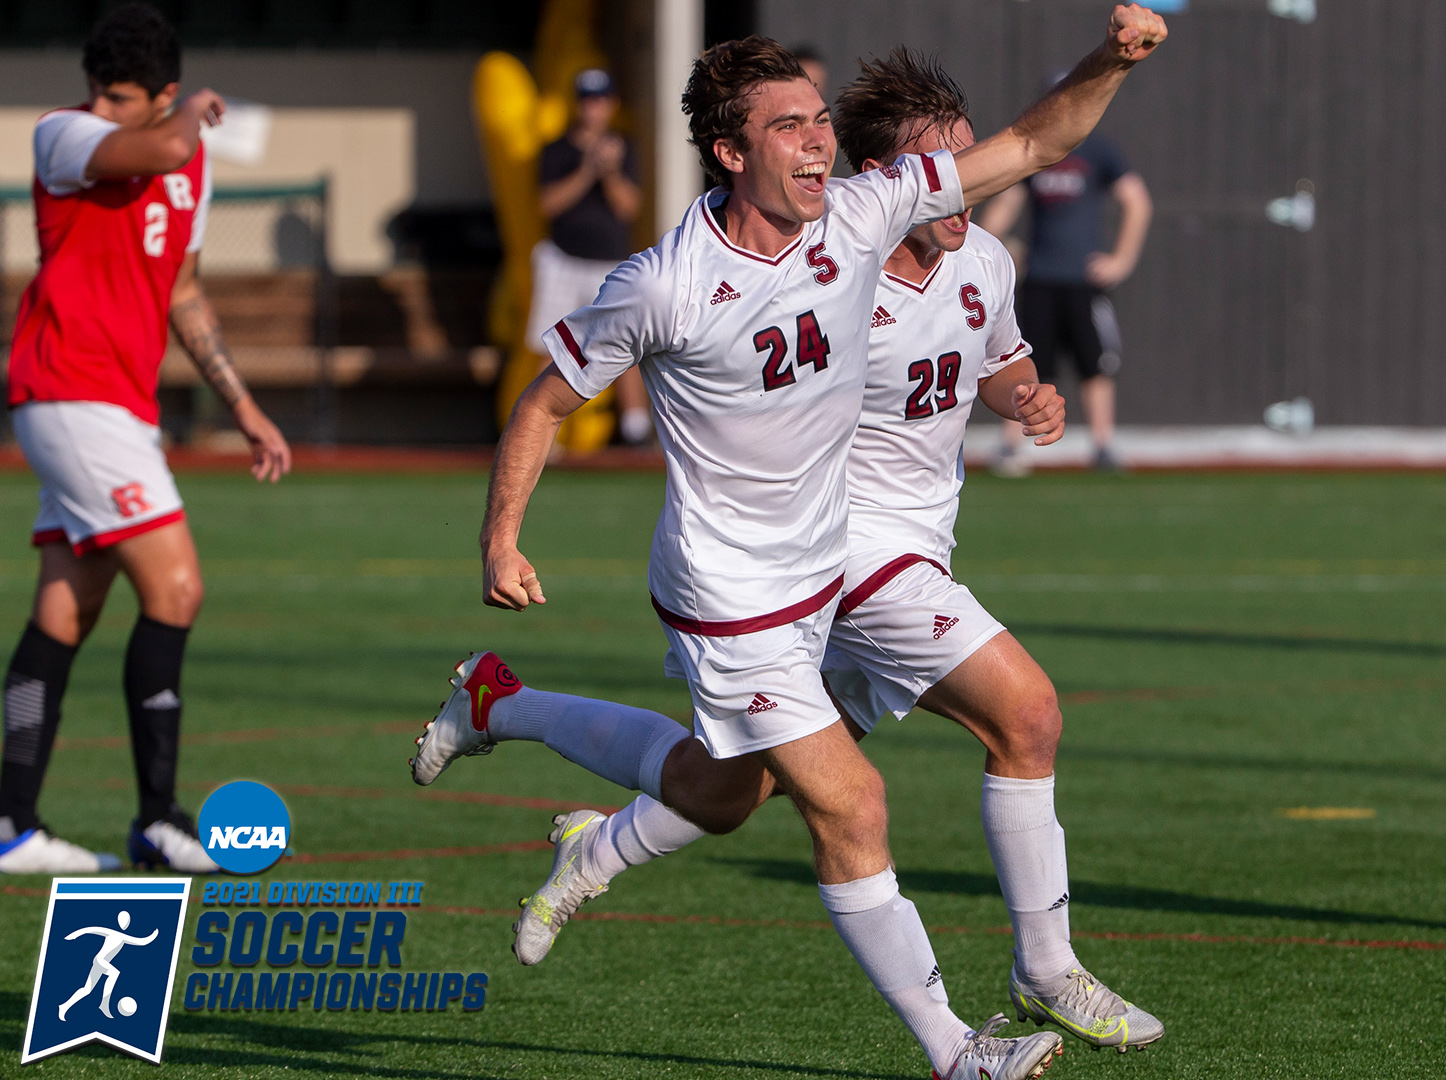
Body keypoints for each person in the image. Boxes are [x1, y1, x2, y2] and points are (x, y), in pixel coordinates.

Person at [413, 10, 1166, 1077]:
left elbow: (1035, 143)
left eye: (821, 124)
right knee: (860, 801)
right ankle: (960, 1049)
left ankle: (505, 709)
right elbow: (541, 405)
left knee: (719, 795)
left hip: (822, 574)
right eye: (790, 129)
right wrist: (501, 543)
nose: (819, 146)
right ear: (730, 152)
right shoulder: (666, 283)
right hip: (732, 594)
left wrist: (1111, 59)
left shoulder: (861, 214)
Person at [0, 3, 291, 876]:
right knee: (177, 588)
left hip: (113, 405)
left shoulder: (185, 157)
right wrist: (189, 112)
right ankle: (159, 820)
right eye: (98, 90)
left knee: (66, 609)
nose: (101, 107)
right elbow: (161, 145)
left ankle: (12, 827)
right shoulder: (65, 136)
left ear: (157, 91)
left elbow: (184, 294)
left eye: (120, 96)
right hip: (71, 392)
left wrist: (243, 406)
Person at [980, 105, 1151, 474]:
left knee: (1095, 364)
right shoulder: (1034, 149)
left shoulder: (1099, 150)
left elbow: (1136, 199)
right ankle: (1011, 447)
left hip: (1083, 280)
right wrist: (998, 245)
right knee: (1024, 362)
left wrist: (1121, 260)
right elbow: (1007, 202)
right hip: (1040, 277)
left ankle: (1103, 447)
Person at [526, 68, 653, 446]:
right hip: (562, 261)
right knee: (549, 346)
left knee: (625, 348)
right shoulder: (556, 150)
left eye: (599, 100)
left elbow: (629, 207)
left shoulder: (624, 148)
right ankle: (540, 435)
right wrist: (587, 169)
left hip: (610, 265)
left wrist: (609, 171)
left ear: (611, 105)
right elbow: (546, 205)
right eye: (586, 100)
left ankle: (635, 432)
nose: (592, 108)